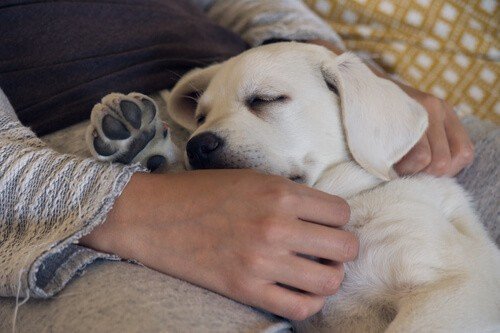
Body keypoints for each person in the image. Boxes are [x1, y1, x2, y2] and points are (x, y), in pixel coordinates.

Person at [0, 1, 497, 332]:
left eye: (264, 101)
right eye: (204, 123)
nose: (205, 138)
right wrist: (124, 206)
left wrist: (345, 75)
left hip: (308, 114)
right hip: (58, 166)